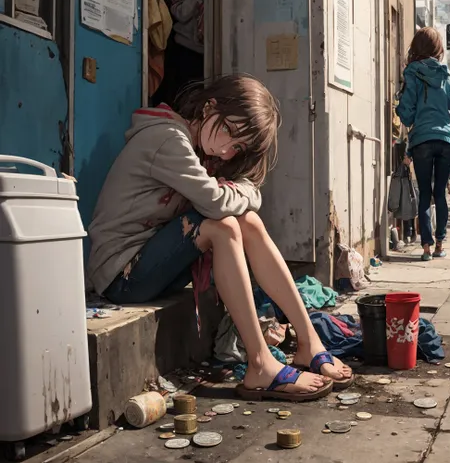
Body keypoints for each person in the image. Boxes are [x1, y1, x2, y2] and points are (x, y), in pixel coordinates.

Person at [87, 75, 353, 402]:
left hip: (150, 262)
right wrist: (247, 191)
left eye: (238, 147)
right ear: (209, 106)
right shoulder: (167, 139)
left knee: (247, 221)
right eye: (229, 130)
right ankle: (259, 363)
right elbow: (214, 201)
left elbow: (227, 198)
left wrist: (243, 193)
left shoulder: (198, 150)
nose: (227, 150)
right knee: (222, 225)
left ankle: (309, 342)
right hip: (121, 275)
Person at [396, 28, 450, 261]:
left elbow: (407, 114)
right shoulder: (446, 72)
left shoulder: (411, 73)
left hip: (422, 139)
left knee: (424, 193)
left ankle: (425, 248)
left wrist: (397, 107)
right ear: (437, 47)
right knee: (440, 193)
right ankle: (440, 244)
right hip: (446, 140)